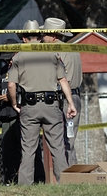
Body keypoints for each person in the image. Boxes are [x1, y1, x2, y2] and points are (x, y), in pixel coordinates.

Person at [7, 20, 77, 185]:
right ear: (39, 37)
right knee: (58, 148)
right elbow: (63, 81)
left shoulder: (18, 57)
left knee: (28, 149)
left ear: (24, 38)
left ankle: (25, 185)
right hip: (51, 105)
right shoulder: (53, 55)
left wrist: (14, 103)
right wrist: (71, 103)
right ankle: (64, 183)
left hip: (29, 106)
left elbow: (11, 84)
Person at [40, 17, 83, 166]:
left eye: (44, 35)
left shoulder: (53, 51)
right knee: (69, 141)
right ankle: (72, 174)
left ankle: (67, 175)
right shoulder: (73, 49)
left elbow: (53, 77)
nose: (42, 38)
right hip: (75, 97)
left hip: (63, 98)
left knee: (61, 143)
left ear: (53, 36)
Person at [0, 38, 21, 185]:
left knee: (25, 152)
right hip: (6, 117)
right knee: (8, 153)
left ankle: (32, 180)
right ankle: (9, 181)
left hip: (20, 116)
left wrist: (11, 98)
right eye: (5, 59)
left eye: (9, 58)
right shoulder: (2, 72)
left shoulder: (23, 69)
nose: (7, 62)